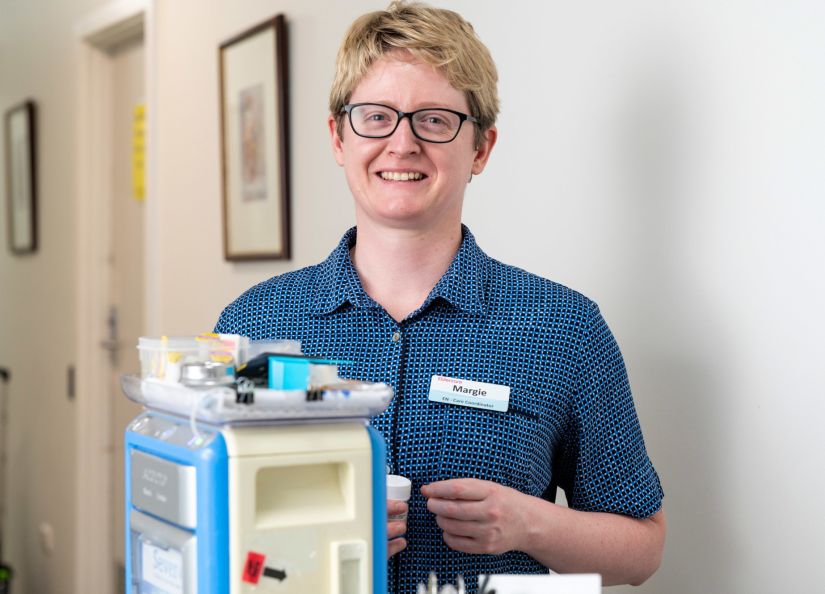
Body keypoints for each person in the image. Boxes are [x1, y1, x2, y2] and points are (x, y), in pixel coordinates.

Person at [214, 2, 665, 592]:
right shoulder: (253, 324)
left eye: (433, 120)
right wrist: (313, 541)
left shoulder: (563, 328)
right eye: (375, 117)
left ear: (480, 148)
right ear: (338, 137)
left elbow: (642, 549)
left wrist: (532, 523)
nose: (401, 144)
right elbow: (217, 530)